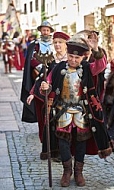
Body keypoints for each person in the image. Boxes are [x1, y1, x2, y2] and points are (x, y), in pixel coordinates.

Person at [38, 35, 112, 187]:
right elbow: (49, 83)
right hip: (62, 111)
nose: (73, 60)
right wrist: (45, 87)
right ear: (67, 54)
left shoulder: (87, 68)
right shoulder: (59, 67)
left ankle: (79, 172)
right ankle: (67, 171)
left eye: (76, 58)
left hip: (82, 112)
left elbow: (100, 65)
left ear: (82, 57)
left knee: (81, 142)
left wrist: (96, 49)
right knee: (63, 141)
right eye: (70, 56)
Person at [26, 31, 70, 160]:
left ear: (66, 44)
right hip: (51, 96)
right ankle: (54, 152)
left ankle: (67, 152)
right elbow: (42, 77)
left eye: (60, 42)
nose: (57, 45)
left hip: (68, 97)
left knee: (67, 124)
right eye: (55, 42)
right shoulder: (50, 59)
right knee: (52, 123)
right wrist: (34, 93)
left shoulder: (72, 59)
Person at [20, 20, 54, 123]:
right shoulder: (35, 44)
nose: (45, 32)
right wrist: (40, 67)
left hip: (52, 73)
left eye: (47, 30)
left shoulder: (54, 43)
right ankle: (41, 118)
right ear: (40, 31)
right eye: (44, 30)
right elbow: (31, 58)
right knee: (39, 96)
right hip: (38, 74)